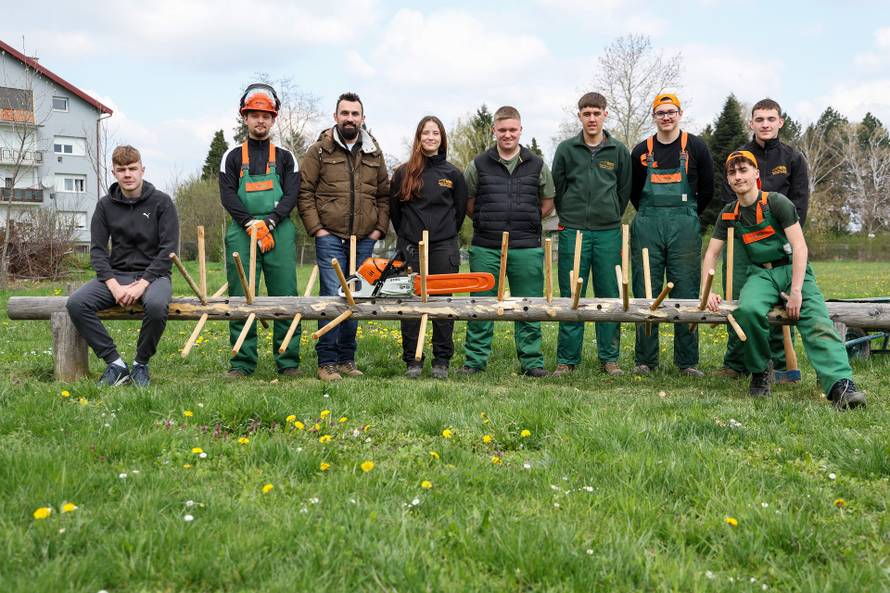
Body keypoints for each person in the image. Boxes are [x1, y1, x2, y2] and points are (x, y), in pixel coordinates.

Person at [703, 151, 865, 409]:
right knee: (748, 311)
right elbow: (712, 253)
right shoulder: (729, 213)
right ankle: (760, 371)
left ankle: (840, 385)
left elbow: (799, 247)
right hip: (761, 274)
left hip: (792, 270)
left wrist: (797, 291)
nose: (738, 177)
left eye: (743, 170)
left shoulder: (777, 203)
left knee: (816, 318)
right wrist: (707, 291)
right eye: (732, 173)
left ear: (756, 173)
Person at [66, 145, 178, 387]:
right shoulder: (105, 206)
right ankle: (115, 364)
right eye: (121, 169)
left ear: (142, 170)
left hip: (154, 276)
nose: (127, 174)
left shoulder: (162, 202)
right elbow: (97, 251)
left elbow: (168, 250)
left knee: (156, 305)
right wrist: (114, 286)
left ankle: (140, 364)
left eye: (132, 168)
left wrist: (142, 284)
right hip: (116, 275)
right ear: (114, 173)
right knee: (76, 303)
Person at [716, 98, 810, 382]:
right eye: (759, 119)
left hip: (779, 240)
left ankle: (779, 363)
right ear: (751, 123)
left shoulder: (792, 158)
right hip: (742, 238)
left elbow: (800, 201)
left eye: (771, 119)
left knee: (782, 300)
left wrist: (788, 239)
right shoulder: (739, 158)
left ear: (780, 121)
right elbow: (729, 197)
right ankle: (736, 361)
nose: (765, 124)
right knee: (738, 297)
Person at [298, 92, 390, 382]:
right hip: (330, 237)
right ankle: (326, 362)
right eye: (345, 113)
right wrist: (318, 229)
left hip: (363, 238)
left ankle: (347, 359)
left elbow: (384, 195)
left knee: (356, 295)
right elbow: (305, 192)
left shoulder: (374, 152)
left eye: (355, 114)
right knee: (331, 295)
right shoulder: (319, 151)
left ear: (363, 118)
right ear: (335, 116)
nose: (350, 118)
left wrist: (378, 229)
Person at [460, 105, 555, 377]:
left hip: (526, 247)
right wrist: (486, 218)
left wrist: (528, 219)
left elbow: (548, 201)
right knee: (481, 305)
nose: (507, 134)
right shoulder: (478, 164)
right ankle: (475, 361)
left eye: (512, 129)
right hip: (486, 246)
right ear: (494, 130)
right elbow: (468, 201)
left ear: (520, 130)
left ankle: (532, 361)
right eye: (502, 130)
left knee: (529, 305)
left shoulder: (537, 164)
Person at [219, 84, 302, 379]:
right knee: (242, 294)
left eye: (266, 116)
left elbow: (292, 195)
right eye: (254, 115)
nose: (260, 121)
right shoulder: (231, 156)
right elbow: (228, 195)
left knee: (286, 294)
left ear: (273, 119)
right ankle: (242, 362)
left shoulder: (286, 157)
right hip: (243, 230)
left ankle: (288, 361)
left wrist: (269, 223)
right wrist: (250, 223)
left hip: (278, 229)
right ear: (245, 118)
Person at [629, 93, 714, 377]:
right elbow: (633, 192)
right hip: (648, 225)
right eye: (661, 112)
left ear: (680, 114)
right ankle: (645, 361)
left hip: (684, 227)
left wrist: (689, 214)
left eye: (671, 112)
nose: (666, 117)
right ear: (654, 116)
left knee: (686, 289)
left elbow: (709, 188)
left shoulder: (696, 147)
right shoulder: (641, 150)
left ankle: (687, 362)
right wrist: (651, 213)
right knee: (646, 289)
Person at [551, 92, 632, 377]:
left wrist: (609, 213)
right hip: (573, 231)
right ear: (580, 116)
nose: (592, 118)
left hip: (608, 232)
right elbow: (558, 187)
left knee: (609, 293)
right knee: (572, 293)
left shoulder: (618, 151)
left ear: (605, 114)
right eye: (586, 113)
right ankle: (567, 360)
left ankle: (609, 358)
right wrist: (571, 215)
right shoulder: (566, 149)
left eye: (597, 113)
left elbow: (624, 190)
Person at [390, 116, 468, 379]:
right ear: (419, 137)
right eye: (426, 133)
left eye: (436, 133)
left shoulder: (453, 175)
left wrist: (442, 234)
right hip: (411, 246)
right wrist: (408, 237)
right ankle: (413, 360)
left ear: (442, 138)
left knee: (442, 303)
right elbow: (395, 212)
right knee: (410, 301)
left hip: (443, 247)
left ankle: (441, 360)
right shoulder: (403, 173)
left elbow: (459, 213)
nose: (431, 137)